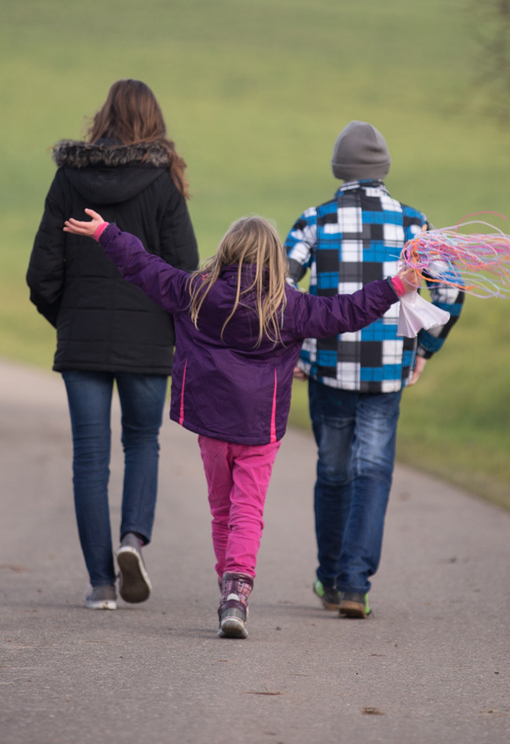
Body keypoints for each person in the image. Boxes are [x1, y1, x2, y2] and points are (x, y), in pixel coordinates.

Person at [63, 208, 418, 638]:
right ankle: (236, 593)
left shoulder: (196, 290)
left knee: (221, 510)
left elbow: (145, 268)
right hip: (259, 428)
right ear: (274, 259)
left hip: (211, 424)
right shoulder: (290, 305)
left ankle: (227, 587)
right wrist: (397, 285)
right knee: (248, 511)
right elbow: (348, 311)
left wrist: (106, 232)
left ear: (227, 251)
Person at [26, 80, 198, 611]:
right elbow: (184, 271)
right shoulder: (164, 186)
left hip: (82, 341)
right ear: (153, 121)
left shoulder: (67, 183)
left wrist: (69, 319)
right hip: (148, 343)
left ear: (102, 117)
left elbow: (42, 274)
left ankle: (101, 583)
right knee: (142, 442)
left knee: (89, 457)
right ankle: (133, 540)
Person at [285, 121, 464, 619]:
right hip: (388, 372)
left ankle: (330, 577)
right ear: (383, 170)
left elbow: (277, 285)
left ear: (338, 169)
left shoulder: (313, 221)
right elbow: (450, 292)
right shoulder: (414, 224)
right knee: (373, 471)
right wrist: (424, 347)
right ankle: (356, 586)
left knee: (333, 472)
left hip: (327, 367)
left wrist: (294, 348)